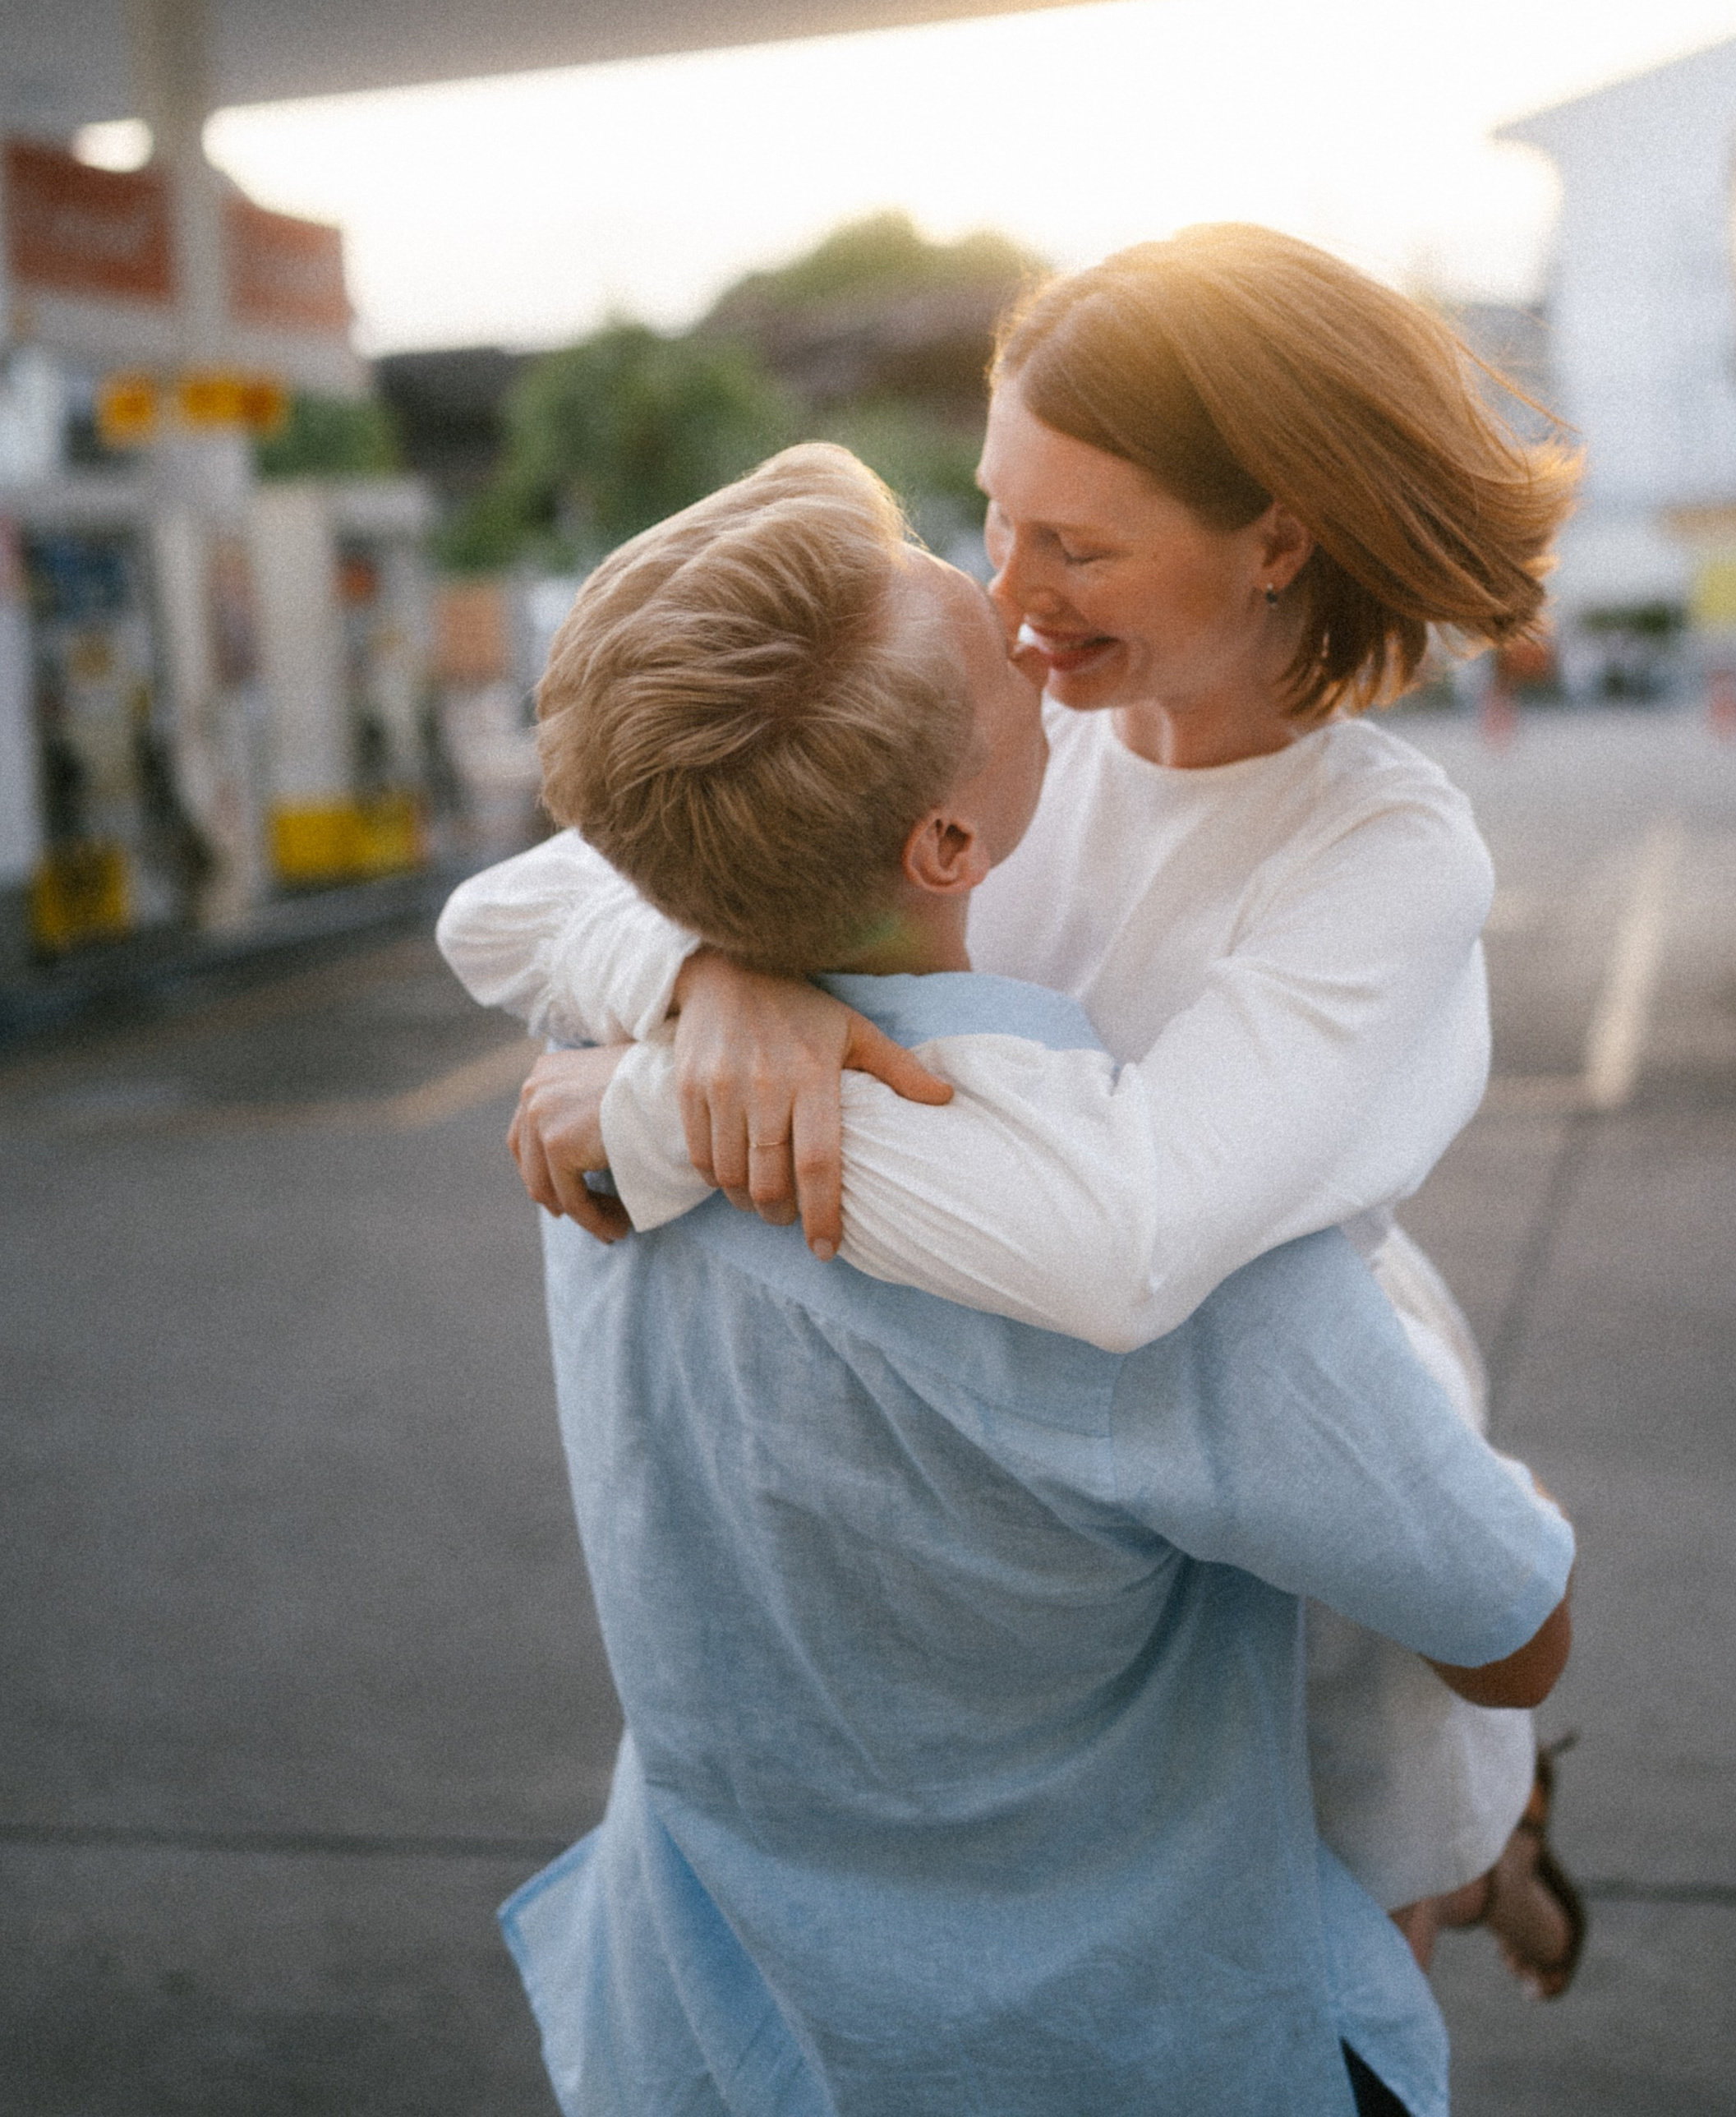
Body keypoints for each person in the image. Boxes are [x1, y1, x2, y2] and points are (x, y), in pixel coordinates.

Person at [451, 224, 1586, 1989]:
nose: (1007, 586)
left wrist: (668, 1113)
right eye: (994, 514)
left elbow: (1125, 1244)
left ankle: (1501, 1849)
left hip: (1303, 1449)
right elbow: (517, 903)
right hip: (1065, 1510)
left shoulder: (1378, 851)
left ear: (1273, 536)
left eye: (1076, 544)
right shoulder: (1002, 728)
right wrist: (711, 983)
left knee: (1364, 1917)